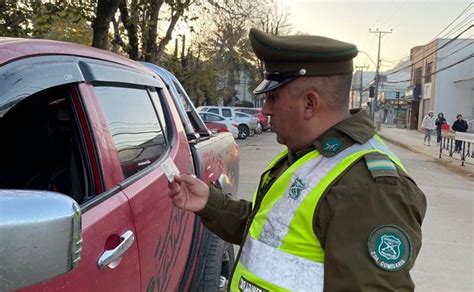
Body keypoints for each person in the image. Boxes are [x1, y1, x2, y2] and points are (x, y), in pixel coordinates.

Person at [168, 28, 427, 291]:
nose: (266, 110)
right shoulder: (308, 154)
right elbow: (270, 231)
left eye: (274, 97)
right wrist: (210, 203)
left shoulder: (369, 188)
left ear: (309, 104)